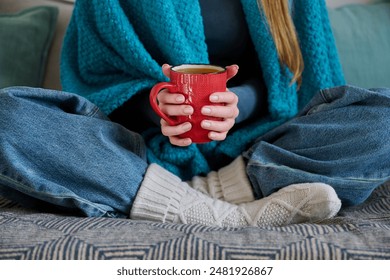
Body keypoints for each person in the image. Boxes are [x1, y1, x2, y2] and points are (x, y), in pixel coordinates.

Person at [0, 0, 389, 228]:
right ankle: (204, 206)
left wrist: (239, 107)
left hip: (265, 146)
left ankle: (222, 190)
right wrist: (157, 105)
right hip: (139, 152)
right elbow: (96, 76)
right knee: (7, 115)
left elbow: (298, 78)